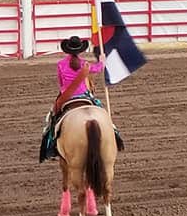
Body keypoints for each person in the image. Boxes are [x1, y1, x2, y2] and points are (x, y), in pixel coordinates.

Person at [38, 36, 123, 164]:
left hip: (66, 97)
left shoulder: (61, 64)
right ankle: (115, 135)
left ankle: (50, 145)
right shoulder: (85, 65)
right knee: (102, 112)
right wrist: (102, 61)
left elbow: (61, 83)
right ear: (81, 51)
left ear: (67, 50)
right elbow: (99, 68)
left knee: (52, 120)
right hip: (85, 96)